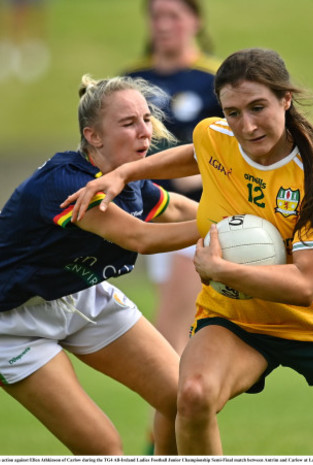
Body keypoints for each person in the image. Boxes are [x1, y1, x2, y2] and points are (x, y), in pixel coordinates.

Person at [62, 48, 313, 456]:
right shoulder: (216, 135)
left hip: (312, 323)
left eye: (258, 108)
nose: (247, 126)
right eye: (233, 112)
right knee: (193, 395)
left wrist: (221, 269)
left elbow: (306, 284)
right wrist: (122, 173)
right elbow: (197, 154)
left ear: (285, 99)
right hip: (233, 317)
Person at [0, 75, 200, 455]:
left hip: (82, 295)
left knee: (180, 398)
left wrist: (237, 214)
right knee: (104, 449)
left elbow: (175, 208)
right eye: (129, 123)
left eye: (145, 119)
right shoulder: (64, 185)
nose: (145, 132)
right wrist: (226, 226)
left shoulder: (128, 176)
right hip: (13, 322)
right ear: (94, 137)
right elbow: (141, 237)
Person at [122, 0, 221, 358]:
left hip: (195, 214)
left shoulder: (214, 79)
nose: (164, 24)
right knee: (179, 330)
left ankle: (175, 408)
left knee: (170, 330)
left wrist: (200, 174)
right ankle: (191, 409)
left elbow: (240, 144)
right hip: (148, 215)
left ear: (196, 20)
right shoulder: (131, 81)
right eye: (156, 15)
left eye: (174, 15)